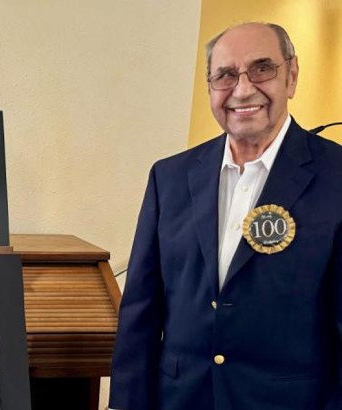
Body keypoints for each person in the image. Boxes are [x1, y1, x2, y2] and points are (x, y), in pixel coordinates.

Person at [109, 22, 342, 410]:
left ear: (292, 76)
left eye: (262, 68)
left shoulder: (336, 177)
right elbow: (141, 311)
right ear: (210, 87)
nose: (243, 89)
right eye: (226, 75)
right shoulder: (169, 177)